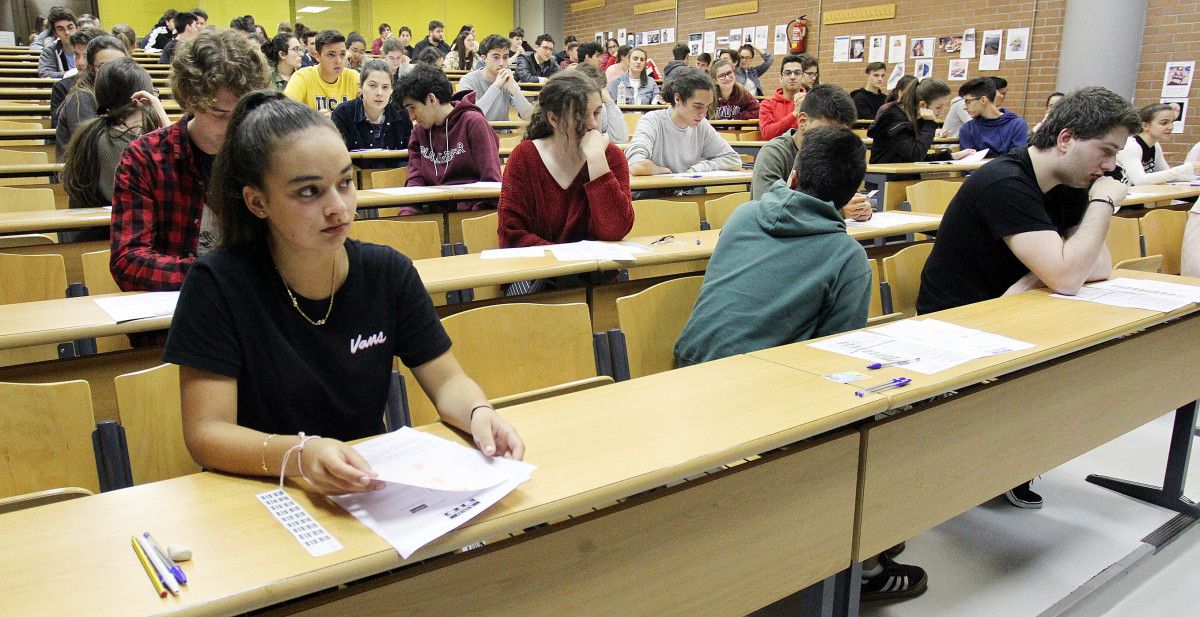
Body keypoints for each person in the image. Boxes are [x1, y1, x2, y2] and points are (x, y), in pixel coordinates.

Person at [163, 92, 523, 495]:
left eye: (345, 183)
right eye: (308, 192)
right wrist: (301, 454)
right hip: (264, 490)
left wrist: (478, 412)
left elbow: (447, 382)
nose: (338, 208)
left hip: (366, 486)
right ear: (257, 202)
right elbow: (207, 433)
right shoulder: (217, 285)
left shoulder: (388, 272)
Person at [916, 87, 1137, 509]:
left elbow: (1100, 264)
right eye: (1105, 152)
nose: (1109, 167)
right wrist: (1105, 204)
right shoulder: (1004, 181)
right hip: (956, 326)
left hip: (1010, 313)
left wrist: (1040, 278)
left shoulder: (1069, 183)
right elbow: (1070, 274)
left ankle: (1009, 460)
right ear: (1067, 138)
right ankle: (994, 463)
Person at [110, 28, 272, 345]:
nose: (234, 126)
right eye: (220, 113)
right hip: (178, 327)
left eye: (242, 113)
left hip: (255, 321)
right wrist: (218, 274)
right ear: (191, 101)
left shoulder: (263, 153)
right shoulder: (146, 158)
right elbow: (127, 260)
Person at [676, 124, 872, 366]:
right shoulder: (849, 257)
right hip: (761, 383)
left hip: (688, 364)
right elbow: (835, 355)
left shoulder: (744, 214)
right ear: (848, 198)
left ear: (793, 177)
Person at [498, 70, 633, 250]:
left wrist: (597, 162)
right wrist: (567, 260)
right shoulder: (525, 156)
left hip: (597, 273)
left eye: (597, 113)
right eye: (581, 116)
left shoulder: (610, 156)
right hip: (540, 272)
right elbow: (511, 235)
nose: (593, 124)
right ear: (553, 118)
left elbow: (616, 230)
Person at [62, 58, 168, 223]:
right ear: (143, 99)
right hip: (124, 235)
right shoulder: (128, 143)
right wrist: (163, 117)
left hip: (90, 234)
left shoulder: (91, 133)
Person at [750, 84, 872, 222]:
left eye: (842, 132)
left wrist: (861, 208)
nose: (835, 138)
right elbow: (769, 210)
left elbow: (847, 195)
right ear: (803, 121)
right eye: (828, 130)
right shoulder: (773, 154)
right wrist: (838, 211)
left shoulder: (835, 152)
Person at [395, 65, 502, 212]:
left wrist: (470, 221)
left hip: (471, 217)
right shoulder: (419, 132)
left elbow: (492, 183)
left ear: (431, 99)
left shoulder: (473, 123)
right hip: (433, 216)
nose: (411, 116)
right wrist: (407, 214)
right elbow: (415, 179)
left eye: (412, 107)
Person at [625, 67, 741, 176]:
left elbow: (733, 160)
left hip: (688, 193)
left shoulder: (702, 125)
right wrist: (666, 172)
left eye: (707, 107)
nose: (703, 114)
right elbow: (636, 165)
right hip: (652, 195)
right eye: (697, 106)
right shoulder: (651, 121)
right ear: (678, 99)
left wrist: (699, 168)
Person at [867, 78, 977, 164]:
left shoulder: (916, 118)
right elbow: (915, 155)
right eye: (938, 107)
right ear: (922, 105)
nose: (940, 113)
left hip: (903, 175)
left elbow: (914, 157)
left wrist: (952, 156)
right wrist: (930, 123)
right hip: (882, 180)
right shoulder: (893, 118)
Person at [56, 35, 128, 159]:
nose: (112, 71)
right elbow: (90, 151)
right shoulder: (81, 98)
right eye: (103, 66)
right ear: (92, 69)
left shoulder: (123, 94)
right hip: (85, 173)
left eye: (119, 64)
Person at [331, 59, 412, 161]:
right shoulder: (342, 114)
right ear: (360, 86)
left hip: (395, 175)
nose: (379, 93)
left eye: (385, 87)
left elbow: (411, 156)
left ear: (392, 89)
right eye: (372, 85)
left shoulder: (401, 113)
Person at [1113, 103, 1199, 185]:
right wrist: (1185, 168)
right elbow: (1139, 181)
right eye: (1164, 123)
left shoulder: (1155, 145)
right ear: (1145, 126)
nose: (1170, 127)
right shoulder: (1131, 146)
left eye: (1172, 122)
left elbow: (1166, 175)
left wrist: (1193, 176)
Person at [458, 35, 533, 122]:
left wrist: (514, 90)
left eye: (505, 57)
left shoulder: (508, 80)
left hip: (503, 135)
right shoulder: (467, 80)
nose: (501, 63)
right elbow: (472, 116)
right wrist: (496, 86)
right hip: (476, 134)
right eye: (496, 57)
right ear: (484, 58)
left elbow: (528, 116)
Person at [284, 30, 360, 115]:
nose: (338, 61)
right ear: (317, 56)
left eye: (342, 54)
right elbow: (284, 114)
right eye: (331, 55)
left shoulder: (354, 77)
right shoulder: (302, 77)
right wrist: (315, 121)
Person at [956, 76, 1029, 157]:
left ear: (983, 100)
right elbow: (967, 163)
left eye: (968, 101)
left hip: (1007, 169)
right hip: (979, 170)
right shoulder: (967, 129)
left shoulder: (1017, 124)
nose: (964, 107)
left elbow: (1018, 159)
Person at [50, 26, 107, 127]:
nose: (80, 62)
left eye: (86, 56)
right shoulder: (62, 88)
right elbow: (58, 128)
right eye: (76, 55)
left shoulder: (113, 84)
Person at [757, 53, 817, 140]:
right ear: (781, 78)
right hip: (778, 151)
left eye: (797, 73)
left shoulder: (812, 101)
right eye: (788, 73)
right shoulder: (767, 104)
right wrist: (794, 114)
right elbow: (767, 135)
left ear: (803, 77)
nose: (792, 77)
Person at [576, 62, 629, 143]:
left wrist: (608, 101)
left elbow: (620, 138)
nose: (594, 124)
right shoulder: (568, 110)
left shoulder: (601, 109)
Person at [944, 76, 1008, 137]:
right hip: (951, 145)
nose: (1002, 97)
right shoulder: (964, 103)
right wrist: (993, 104)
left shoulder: (1012, 121)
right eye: (1001, 93)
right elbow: (979, 129)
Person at [37, 5, 77, 78]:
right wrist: (70, 74)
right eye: (61, 29)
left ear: (77, 28)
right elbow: (44, 74)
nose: (67, 32)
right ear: (55, 33)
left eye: (70, 27)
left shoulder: (87, 47)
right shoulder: (49, 51)